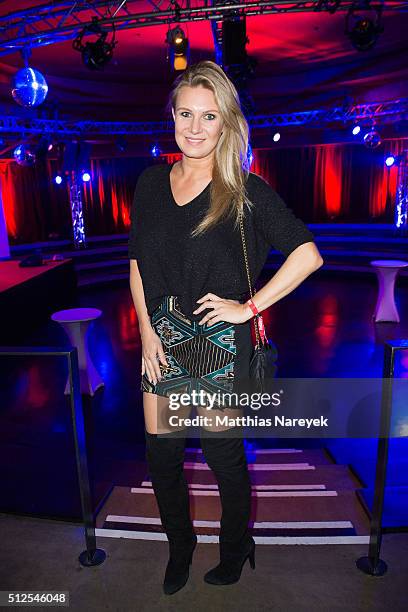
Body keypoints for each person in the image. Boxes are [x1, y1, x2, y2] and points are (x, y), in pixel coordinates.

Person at [128, 60, 323, 595]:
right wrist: (146, 333)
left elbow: (307, 255)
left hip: (218, 342)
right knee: (163, 458)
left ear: (225, 123)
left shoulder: (244, 190)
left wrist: (248, 307)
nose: (194, 127)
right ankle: (180, 548)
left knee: (223, 459)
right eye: (185, 113)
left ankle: (236, 546)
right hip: (161, 339)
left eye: (208, 116)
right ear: (172, 115)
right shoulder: (148, 183)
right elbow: (137, 264)